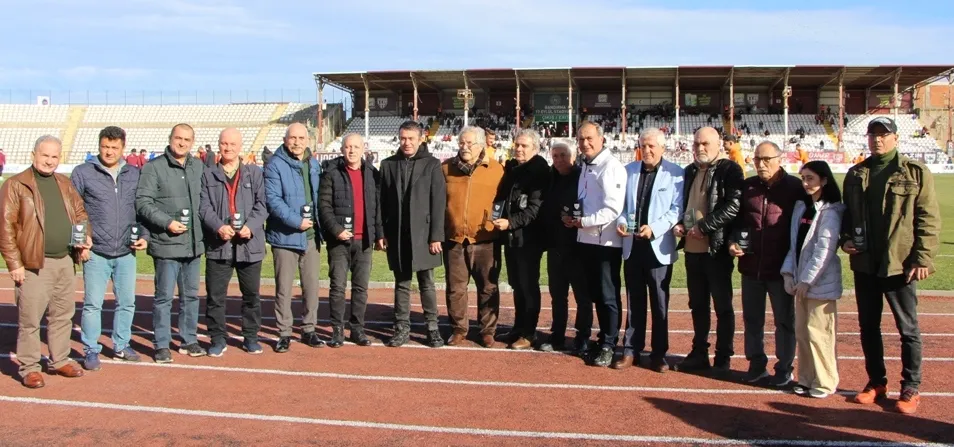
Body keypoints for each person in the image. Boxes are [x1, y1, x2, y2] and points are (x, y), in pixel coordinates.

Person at [842, 117, 941, 414]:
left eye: (883, 135)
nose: (877, 140)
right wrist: (846, 239)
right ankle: (877, 382)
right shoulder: (856, 174)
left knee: (907, 328)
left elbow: (928, 217)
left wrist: (922, 257)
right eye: (873, 134)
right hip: (865, 263)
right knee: (868, 326)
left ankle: (911, 386)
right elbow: (847, 216)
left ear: (896, 138)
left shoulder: (915, 172)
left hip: (899, 264)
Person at [0, 135, 90, 388]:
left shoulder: (64, 183)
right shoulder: (16, 185)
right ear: (33, 155)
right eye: (45, 155)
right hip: (33, 264)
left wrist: (84, 240)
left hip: (64, 260)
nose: (49, 161)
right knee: (30, 318)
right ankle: (29, 367)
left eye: (54, 156)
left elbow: (80, 214)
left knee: (62, 315)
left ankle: (59, 359)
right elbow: (5, 227)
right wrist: (14, 263)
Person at [72, 126, 149, 370]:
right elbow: (73, 210)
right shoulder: (83, 172)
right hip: (95, 251)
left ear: (123, 148)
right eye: (106, 146)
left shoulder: (134, 174)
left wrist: (144, 235)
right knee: (93, 304)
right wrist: (80, 243)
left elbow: (142, 209)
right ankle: (91, 349)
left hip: (126, 251)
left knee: (126, 302)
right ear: (99, 146)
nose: (109, 151)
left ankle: (121, 345)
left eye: (115, 147)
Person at [728, 141, 804, 386]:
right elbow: (737, 222)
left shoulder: (794, 188)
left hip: (780, 269)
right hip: (750, 267)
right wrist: (732, 241)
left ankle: (784, 367)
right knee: (752, 319)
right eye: (757, 159)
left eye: (767, 159)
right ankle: (756, 363)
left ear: (779, 159)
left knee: (784, 320)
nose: (761, 164)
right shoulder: (748, 186)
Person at [674, 127, 744, 373]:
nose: (699, 148)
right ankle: (699, 352)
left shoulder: (729, 169)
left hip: (716, 250)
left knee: (722, 305)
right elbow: (681, 205)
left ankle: (723, 356)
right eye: (696, 144)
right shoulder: (689, 171)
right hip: (692, 250)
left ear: (718, 145)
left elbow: (733, 206)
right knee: (698, 305)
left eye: (705, 143)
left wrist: (704, 227)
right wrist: (679, 224)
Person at [615, 128, 684, 372]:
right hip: (632, 247)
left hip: (658, 247)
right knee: (634, 301)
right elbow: (621, 207)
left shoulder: (676, 173)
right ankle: (631, 350)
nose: (647, 150)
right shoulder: (628, 171)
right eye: (643, 145)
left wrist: (654, 229)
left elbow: (677, 210)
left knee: (659, 302)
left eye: (652, 146)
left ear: (663, 148)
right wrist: (621, 222)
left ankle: (658, 354)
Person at [137, 123, 206, 362]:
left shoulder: (199, 166)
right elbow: (143, 203)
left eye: (187, 139)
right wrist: (167, 223)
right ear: (170, 139)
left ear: (192, 142)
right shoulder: (153, 168)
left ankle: (189, 339)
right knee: (164, 297)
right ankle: (162, 344)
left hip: (194, 244)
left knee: (191, 296)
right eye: (178, 138)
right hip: (166, 242)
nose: (182, 143)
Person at [199, 128, 268, 356]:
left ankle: (250, 337)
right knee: (216, 297)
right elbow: (204, 207)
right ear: (218, 145)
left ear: (240, 147)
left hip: (250, 244)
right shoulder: (207, 174)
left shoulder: (254, 173)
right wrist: (218, 227)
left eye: (232, 144)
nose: (228, 148)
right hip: (219, 245)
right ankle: (217, 338)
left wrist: (252, 226)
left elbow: (262, 205)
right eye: (224, 144)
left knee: (251, 296)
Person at [379, 121, 446, 348]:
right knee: (402, 283)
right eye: (403, 138)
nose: (406, 143)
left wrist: (436, 236)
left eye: (411, 139)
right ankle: (401, 328)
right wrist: (382, 232)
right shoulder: (388, 165)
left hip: (425, 235)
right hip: (397, 234)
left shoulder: (432, 165)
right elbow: (382, 204)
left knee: (427, 283)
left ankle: (432, 329)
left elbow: (439, 203)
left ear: (420, 139)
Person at [781, 160, 845, 399]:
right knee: (803, 333)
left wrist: (807, 280)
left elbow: (824, 250)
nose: (806, 183)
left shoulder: (831, 211)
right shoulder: (802, 208)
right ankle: (806, 378)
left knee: (820, 334)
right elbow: (794, 245)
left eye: (810, 178)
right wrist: (788, 273)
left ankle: (825, 381)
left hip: (820, 284)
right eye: (803, 178)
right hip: (801, 283)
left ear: (824, 180)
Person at [566, 121, 626, 367]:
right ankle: (602, 340)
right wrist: (573, 217)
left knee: (608, 296)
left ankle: (610, 345)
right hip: (586, 240)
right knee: (596, 295)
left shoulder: (611, 166)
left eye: (589, 138)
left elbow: (613, 208)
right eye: (581, 139)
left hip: (605, 242)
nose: (585, 143)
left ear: (602, 139)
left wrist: (584, 222)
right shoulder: (585, 166)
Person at [317, 133, 383, 347]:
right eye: (348, 147)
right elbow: (324, 206)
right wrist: (336, 230)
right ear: (342, 149)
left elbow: (377, 208)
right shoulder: (331, 173)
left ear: (363, 149)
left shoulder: (372, 173)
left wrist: (379, 235)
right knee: (337, 287)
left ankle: (357, 329)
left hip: (364, 241)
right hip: (339, 241)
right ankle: (337, 330)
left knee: (360, 288)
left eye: (356, 146)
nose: (352, 150)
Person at [441, 126, 504, 348]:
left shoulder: (497, 169)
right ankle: (458, 329)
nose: (465, 147)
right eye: (462, 143)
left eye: (470, 143)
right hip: (455, 238)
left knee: (488, 286)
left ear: (481, 146)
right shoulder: (446, 168)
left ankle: (488, 331)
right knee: (455, 287)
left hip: (486, 238)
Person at [264, 123, 325, 352]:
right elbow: (273, 200)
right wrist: (295, 221)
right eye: (293, 138)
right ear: (285, 139)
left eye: (301, 138)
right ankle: (284, 333)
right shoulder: (274, 165)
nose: (297, 142)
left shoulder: (313, 164)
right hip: (285, 236)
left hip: (311, 236)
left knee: (311, 286)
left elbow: (319, 197)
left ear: (307, 140)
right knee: (284, 289)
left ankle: (309, 329)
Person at [494, 129, 549, 350]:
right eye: (517, 145)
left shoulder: (539, 171)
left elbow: (535, 209)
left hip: (529, 238)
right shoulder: (513, 169)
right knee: (517, 285)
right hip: (512, 238)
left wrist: (511, 222)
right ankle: (518, 327)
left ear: (535, 148)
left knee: (528, 286)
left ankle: (529, 332)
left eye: (524, 146)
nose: (518, 149)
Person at [538, 140, 586, 352]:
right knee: (558, 296)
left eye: (563, 156)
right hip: (555, 246)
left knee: (582, 296)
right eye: (555, 156)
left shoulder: (583, 177)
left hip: (579, 246)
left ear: (573, 157)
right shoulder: (549, 177)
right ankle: (557, 336)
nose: (558, 160)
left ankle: (582, 337)